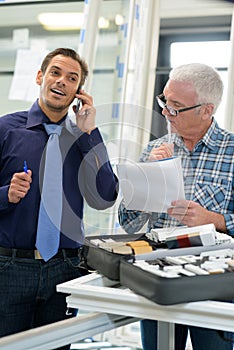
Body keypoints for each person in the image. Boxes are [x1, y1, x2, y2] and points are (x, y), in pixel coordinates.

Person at [0, 47, 118, 349]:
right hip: (10, 269)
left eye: (72, 78)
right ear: (40, 76)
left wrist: (90, 133)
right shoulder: (6, 129)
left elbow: (105, 196)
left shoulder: (84, 138)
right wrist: (5, 195)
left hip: (65, 269)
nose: (62, 81)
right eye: (55, 72)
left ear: (79, 91)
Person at [118, 63, 234, 350]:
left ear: (206, 110)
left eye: (176, 107)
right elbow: (127, 222)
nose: (165, 112)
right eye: (164, 102)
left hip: (215, 283)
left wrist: (215, 219)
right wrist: (147, 179)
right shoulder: (154, 149)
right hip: (159, 277)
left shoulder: (232, 152)